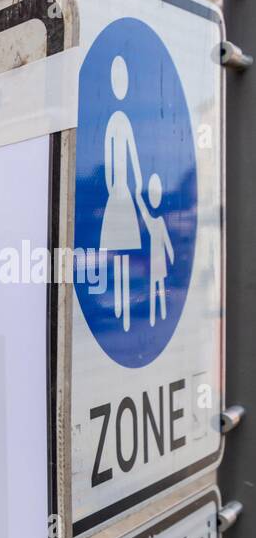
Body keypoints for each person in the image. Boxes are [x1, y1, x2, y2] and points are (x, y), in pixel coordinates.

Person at [98, 55, 145, 333]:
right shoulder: (120, 121)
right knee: (121, 254)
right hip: (121, 195)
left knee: (121, 253)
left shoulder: (119, 121)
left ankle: (121, 310)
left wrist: (119, 189)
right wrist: (129, 189)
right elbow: (133, 164)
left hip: (118, 195)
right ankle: (121, 310)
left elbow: (124, 160)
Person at [137, 173, 174, 327]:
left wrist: (171, 256)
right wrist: (138, 193)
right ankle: (154, 316)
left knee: (159, 286)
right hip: (154, 259)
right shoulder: (152, 221)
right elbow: (142, 206)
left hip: (158, 260)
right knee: (155, 287)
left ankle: (160, 313)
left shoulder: (158, 221)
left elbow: (167, 241)